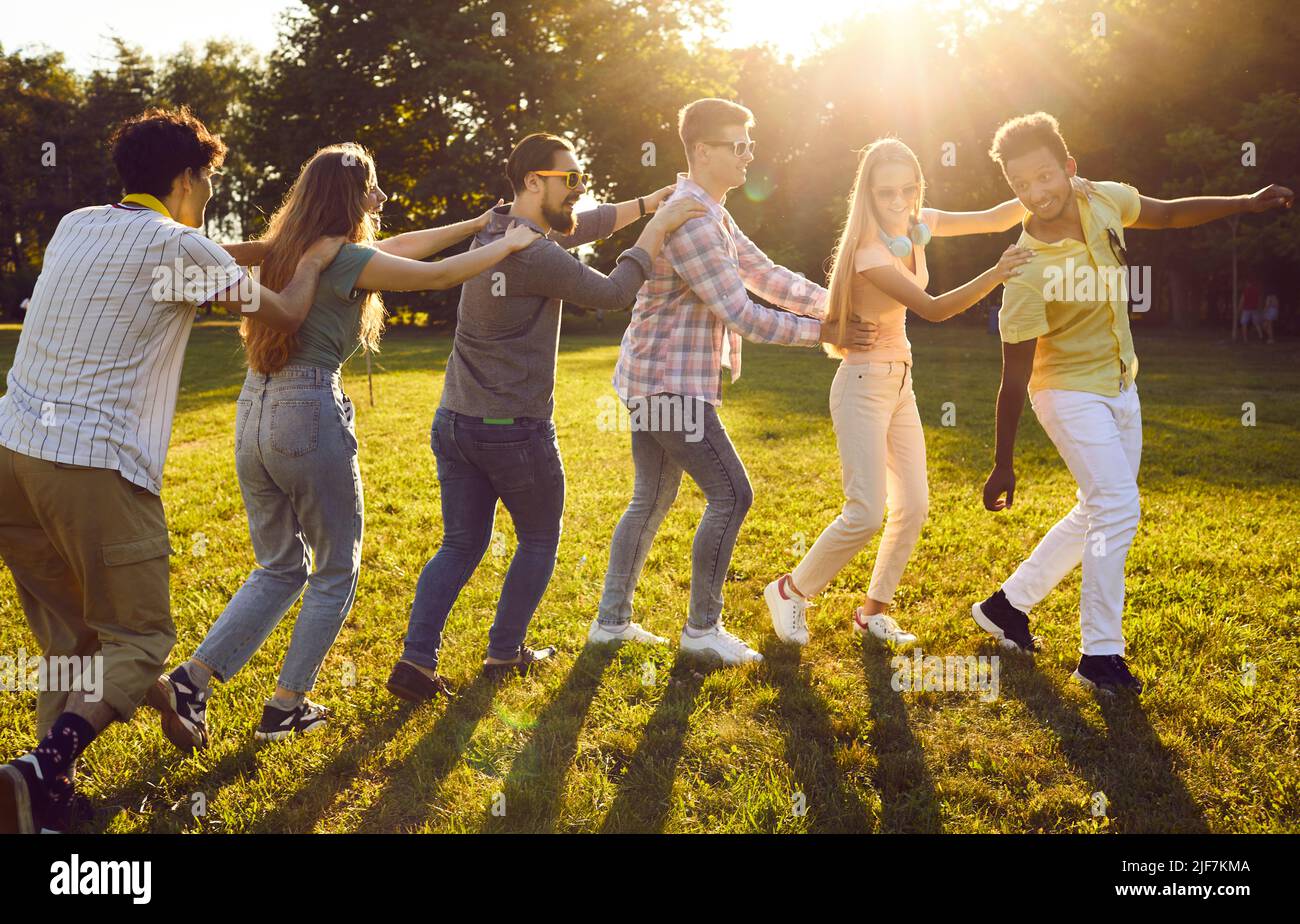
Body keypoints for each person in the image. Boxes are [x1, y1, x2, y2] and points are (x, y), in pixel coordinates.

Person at [0, 107, 344, 833]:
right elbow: (282, 313)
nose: (212, 192)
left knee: (72, 636)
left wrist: (269, 245)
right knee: (142, 638)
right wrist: (310, 260)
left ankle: (43, 802)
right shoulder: (181, 247)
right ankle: (39, 769)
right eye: (210, 179)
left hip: (11, 457)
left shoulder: (79, 224)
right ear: (189, 177)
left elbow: (206, 253)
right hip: (93, 466)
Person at [148, 143, 541, 748]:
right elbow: (434, 275)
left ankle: (192, 682)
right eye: (373, 188)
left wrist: (478, 224)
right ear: (348, 198)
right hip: (307, 413)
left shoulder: (298, 251)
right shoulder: (342, 257)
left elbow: (403, 248)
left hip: (254, 412)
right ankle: (285, 706)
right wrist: (508, 243)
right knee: (335, 569)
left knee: (279, 566)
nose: (381, 198)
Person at [972, 111, 1293, 693]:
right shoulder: (1024, 271)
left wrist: (1246, 200)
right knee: (1117, 507)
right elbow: (1013, 376)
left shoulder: (1103, 200)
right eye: (1020, 186)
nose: (1036, 194)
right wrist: (1003, 461)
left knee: (1099, 506)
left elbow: (1168, 213)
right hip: (1064, 391)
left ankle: (1006, 606)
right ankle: (1100, 655)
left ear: (1069, 168)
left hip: (1121, 382)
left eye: (1045, 177)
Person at [387, 133, 706, 703]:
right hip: (514, 433)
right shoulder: (533, 255)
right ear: (534, 181)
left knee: (459, 545)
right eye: (571, 179)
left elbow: (579, 226)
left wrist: (642, 206)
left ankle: (415, 660)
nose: (579, 189)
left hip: (455, 422)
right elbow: (612, 293)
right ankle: (504, 652)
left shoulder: (498, 230)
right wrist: (654, 233)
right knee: (538, 537)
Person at [589, 98, 875, 666]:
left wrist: (835, 305)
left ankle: (611, 623)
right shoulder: (691, 219)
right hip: (670, 387)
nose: (749, 156)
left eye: (750, 144)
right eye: (737, 146)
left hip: (655, 380)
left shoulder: (708, 208)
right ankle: (702, 630)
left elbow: (763, 272)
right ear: (702, 151)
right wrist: (828, 331)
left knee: (650, 500)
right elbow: (742, 311)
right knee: (731, 494)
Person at [763, 137, 1037, 648]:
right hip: (862, 383)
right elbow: (933, 309)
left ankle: (873, 613)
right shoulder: (867, 249)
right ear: (867, 191)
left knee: (912, 505)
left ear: (918, 187)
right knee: (865, 510)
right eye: (886, 191)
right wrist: (997, 273)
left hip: (901, 382)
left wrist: (1053, 189)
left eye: (908, 189)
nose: (898, 200)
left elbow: (998, 216)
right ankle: (790, 589)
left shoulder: (916, 222)